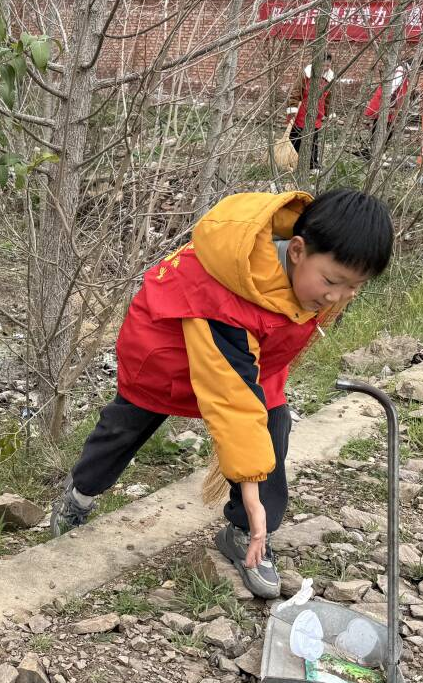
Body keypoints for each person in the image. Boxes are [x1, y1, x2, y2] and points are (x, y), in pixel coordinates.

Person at [50, 189, 393, 598]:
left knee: (273, 424)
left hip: (250, 356)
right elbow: (232, 400)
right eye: (333, 282)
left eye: (355, 287)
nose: (337, 297)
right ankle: (79, 494)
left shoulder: (309, 278)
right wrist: (250, 489)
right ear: (297, 250)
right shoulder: (227, 292)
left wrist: (255, 502)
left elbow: (242, 385)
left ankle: (247, 533)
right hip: (165, 356)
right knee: (126, 427)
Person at [360, 57, 423, 159]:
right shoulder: (400, 71)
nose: (417, 72)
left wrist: (417, 95)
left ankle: (374, 152)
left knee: (384, 128)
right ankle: (373, 153)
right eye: (419, 70)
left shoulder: (405, 72)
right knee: (383, 129)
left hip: (389, 105)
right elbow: (391, 89)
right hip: (385, 104)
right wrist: (390, 105)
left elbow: (404, 90)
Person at [289, 54, 334, 172]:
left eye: (328, 65)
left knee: (313, 141)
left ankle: (312, 165)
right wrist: (292, 108)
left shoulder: (329, 79)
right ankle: (293, 160)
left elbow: (328, 99)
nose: (326, 68)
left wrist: (329, 113)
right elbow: (296, 92)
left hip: (316, 115)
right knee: (294, 138)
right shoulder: (306, 75)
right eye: (324, 65)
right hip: (301, 113)